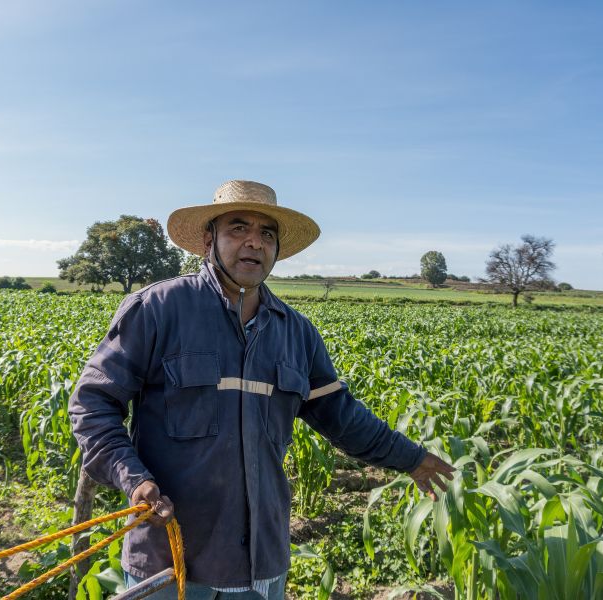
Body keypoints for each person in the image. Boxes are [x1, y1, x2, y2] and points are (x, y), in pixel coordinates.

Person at [68, 180, 455, 599]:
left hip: (261, 564)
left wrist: (412, 459)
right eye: (238, 228)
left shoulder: (297, 333)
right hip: (171, 561)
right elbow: (93, 403)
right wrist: (134, 479)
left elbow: (342, 418)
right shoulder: (159, 309)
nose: (254, 242)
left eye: (266, 233)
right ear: (207, 239)